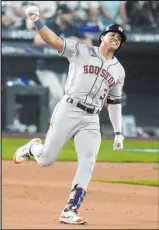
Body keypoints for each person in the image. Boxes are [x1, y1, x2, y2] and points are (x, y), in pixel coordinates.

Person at [13, 5, 126, 225]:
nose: (116, 38)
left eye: (120, 38)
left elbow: (114, 102)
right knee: (46, 159)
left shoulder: (119, 70)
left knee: (88, 162)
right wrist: (37, 20)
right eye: (112, 34)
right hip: (69, 109)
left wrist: (119, 132)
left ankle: (70, 210)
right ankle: (33, 148)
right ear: (102, 37)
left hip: (92, 119)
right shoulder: (82, 50)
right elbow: (53, 40)